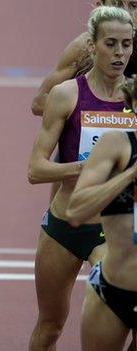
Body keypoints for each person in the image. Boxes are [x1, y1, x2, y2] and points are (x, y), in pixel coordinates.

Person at [27, 6, 135, 351]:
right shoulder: (67, 95)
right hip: (64, 226)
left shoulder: (134, 101)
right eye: (111, 44)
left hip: (113, 232)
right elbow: (36, 170)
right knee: (49, 326)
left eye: (127, 45)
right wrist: (91, 168)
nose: (120, 53)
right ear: (92, 46)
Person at [66, 76, 137, 350]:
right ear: (132, 104)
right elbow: (76, 211)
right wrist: (130, 175)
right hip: (112, 291)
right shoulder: (115, 145)